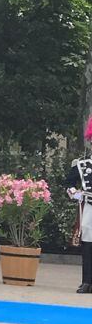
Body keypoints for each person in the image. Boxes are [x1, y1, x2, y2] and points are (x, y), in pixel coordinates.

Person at [65, 117, 92, 294]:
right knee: (88, 244)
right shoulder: (82, 164)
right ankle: (87, 281)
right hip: (89, 206)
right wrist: (77, 194)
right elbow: (68, 184)